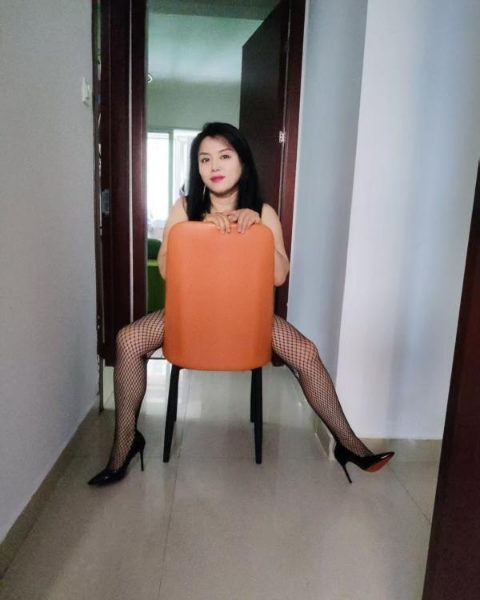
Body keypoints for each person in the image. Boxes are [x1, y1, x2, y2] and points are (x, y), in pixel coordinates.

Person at [88, 122, 394, 487]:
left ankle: (349, 444)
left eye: (224, 156)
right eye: (205, 159)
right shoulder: (185, 208)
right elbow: (168, 270)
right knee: (127, 339)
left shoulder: (263, 212)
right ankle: (125, 443)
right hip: (193, 314)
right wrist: (202, 230)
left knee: (307, 353)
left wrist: (257, 233)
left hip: (247, 318)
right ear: (197, 167)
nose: (214, 166)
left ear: (242, 162)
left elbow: (279, 276)